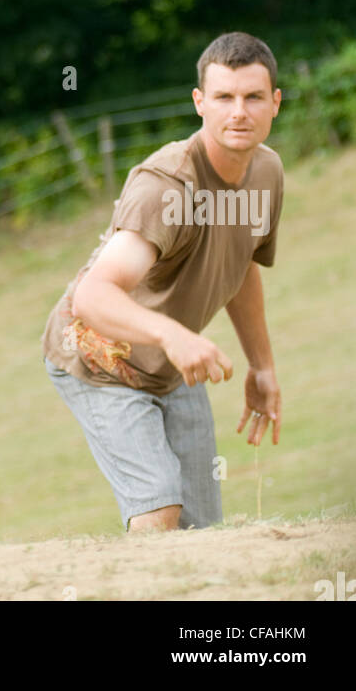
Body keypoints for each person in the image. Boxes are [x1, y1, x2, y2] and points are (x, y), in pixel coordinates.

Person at [41, 31, 284, 533]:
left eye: (253, 97)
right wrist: (174, 334)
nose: (238, 111)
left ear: (275, 103)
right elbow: (93, 296)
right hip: (99, 359)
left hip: (171, 366)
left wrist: (262, 366)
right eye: (223, 97)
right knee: (158, 508)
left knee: (202, 529)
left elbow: (240, 268)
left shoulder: (266, 173)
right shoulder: (167, 184)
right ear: (200, 103)